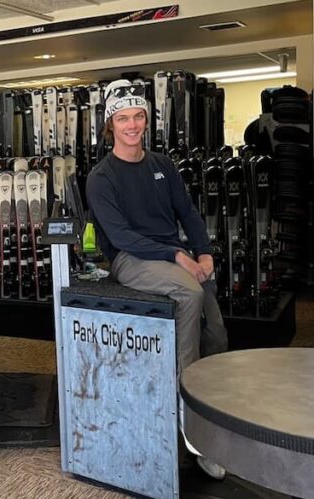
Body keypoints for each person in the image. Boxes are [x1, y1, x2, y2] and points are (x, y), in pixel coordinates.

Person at [85, 79, 228, 480]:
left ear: (147, 119)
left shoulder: (162, 165)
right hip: (131, 259)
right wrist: (177, 255)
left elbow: (189, 213)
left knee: (215, 332)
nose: (132, 125)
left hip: (173, 254)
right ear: (110, 124)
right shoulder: (102, 177)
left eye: (138, 116)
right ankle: (191, 429)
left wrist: (203, 252)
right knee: (188, 293)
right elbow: (121, 237)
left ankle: (215, 420)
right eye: (123, 118)